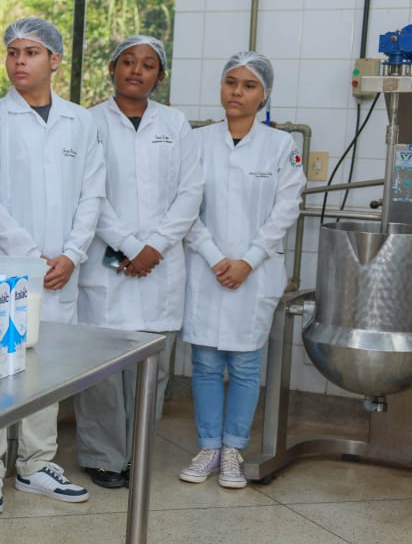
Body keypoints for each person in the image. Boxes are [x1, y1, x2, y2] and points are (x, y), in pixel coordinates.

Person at [0, 17, 105, 515]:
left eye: (31, 52)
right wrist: (32, 255)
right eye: (12, 52)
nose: (19, 61)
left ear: (55, 61)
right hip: (5, 266)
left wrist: (71, 254)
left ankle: (36, 464)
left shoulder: (80, 122)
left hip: (61, 270)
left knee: (44, 368)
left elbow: (93, 194)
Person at [75, 36, 203, 489]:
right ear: (112, 68)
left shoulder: (177, 123)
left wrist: (155, 247)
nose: (137, 70)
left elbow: (190, 193)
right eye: (127, 62)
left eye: (148, 65)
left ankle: (139, 454)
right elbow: (90, 193)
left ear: (160, 76)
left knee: (153, 367)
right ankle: (104, 456)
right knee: (102, 370)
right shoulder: (88, 122)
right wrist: (129, 246)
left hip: (160, 264)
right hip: (108, 259)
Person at [179, 51, 303, 489]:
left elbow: (286, 210)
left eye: (249, 85)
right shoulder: (197, 142)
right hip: (207, 269)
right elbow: (184, 208)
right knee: (207, 363)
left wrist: (248, 259)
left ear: (264, 94)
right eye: (231, 82)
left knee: (247, 366)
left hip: (256, 271)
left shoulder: (281, 146)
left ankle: (233, 449)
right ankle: (209, 446)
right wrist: (216, 257)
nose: (237, 92)